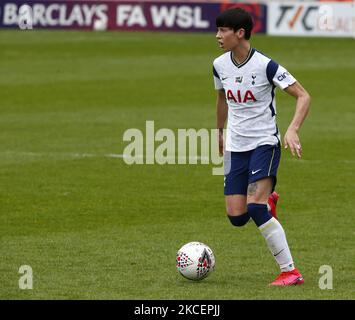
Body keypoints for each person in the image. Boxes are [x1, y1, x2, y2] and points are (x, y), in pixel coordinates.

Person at [213, 8, 311, 286]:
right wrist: (219, 133)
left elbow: (303, 96)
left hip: (264, 144)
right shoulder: (219, 65)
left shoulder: (266, 66)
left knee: (255, 209)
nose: (217, 36)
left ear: (239, 33)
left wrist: (292, 129)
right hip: (236, 145)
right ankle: (269, 199)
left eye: (223, 30)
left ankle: (290, 271)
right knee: (236, 216)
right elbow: (221, 98)